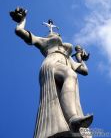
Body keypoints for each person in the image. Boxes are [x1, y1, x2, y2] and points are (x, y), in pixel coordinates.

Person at [10, 8, 93, 138]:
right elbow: (19, 31)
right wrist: (22, 20)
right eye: (54, 35)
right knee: (70, 75)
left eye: (59, 35)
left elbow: (84, 70)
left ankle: (72, 119)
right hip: (51, 63)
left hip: (64, 64)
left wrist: (79, 57)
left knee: (72, 76)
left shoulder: (67, 56)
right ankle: (73, 119)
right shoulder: (44, 41)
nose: (57, 34)